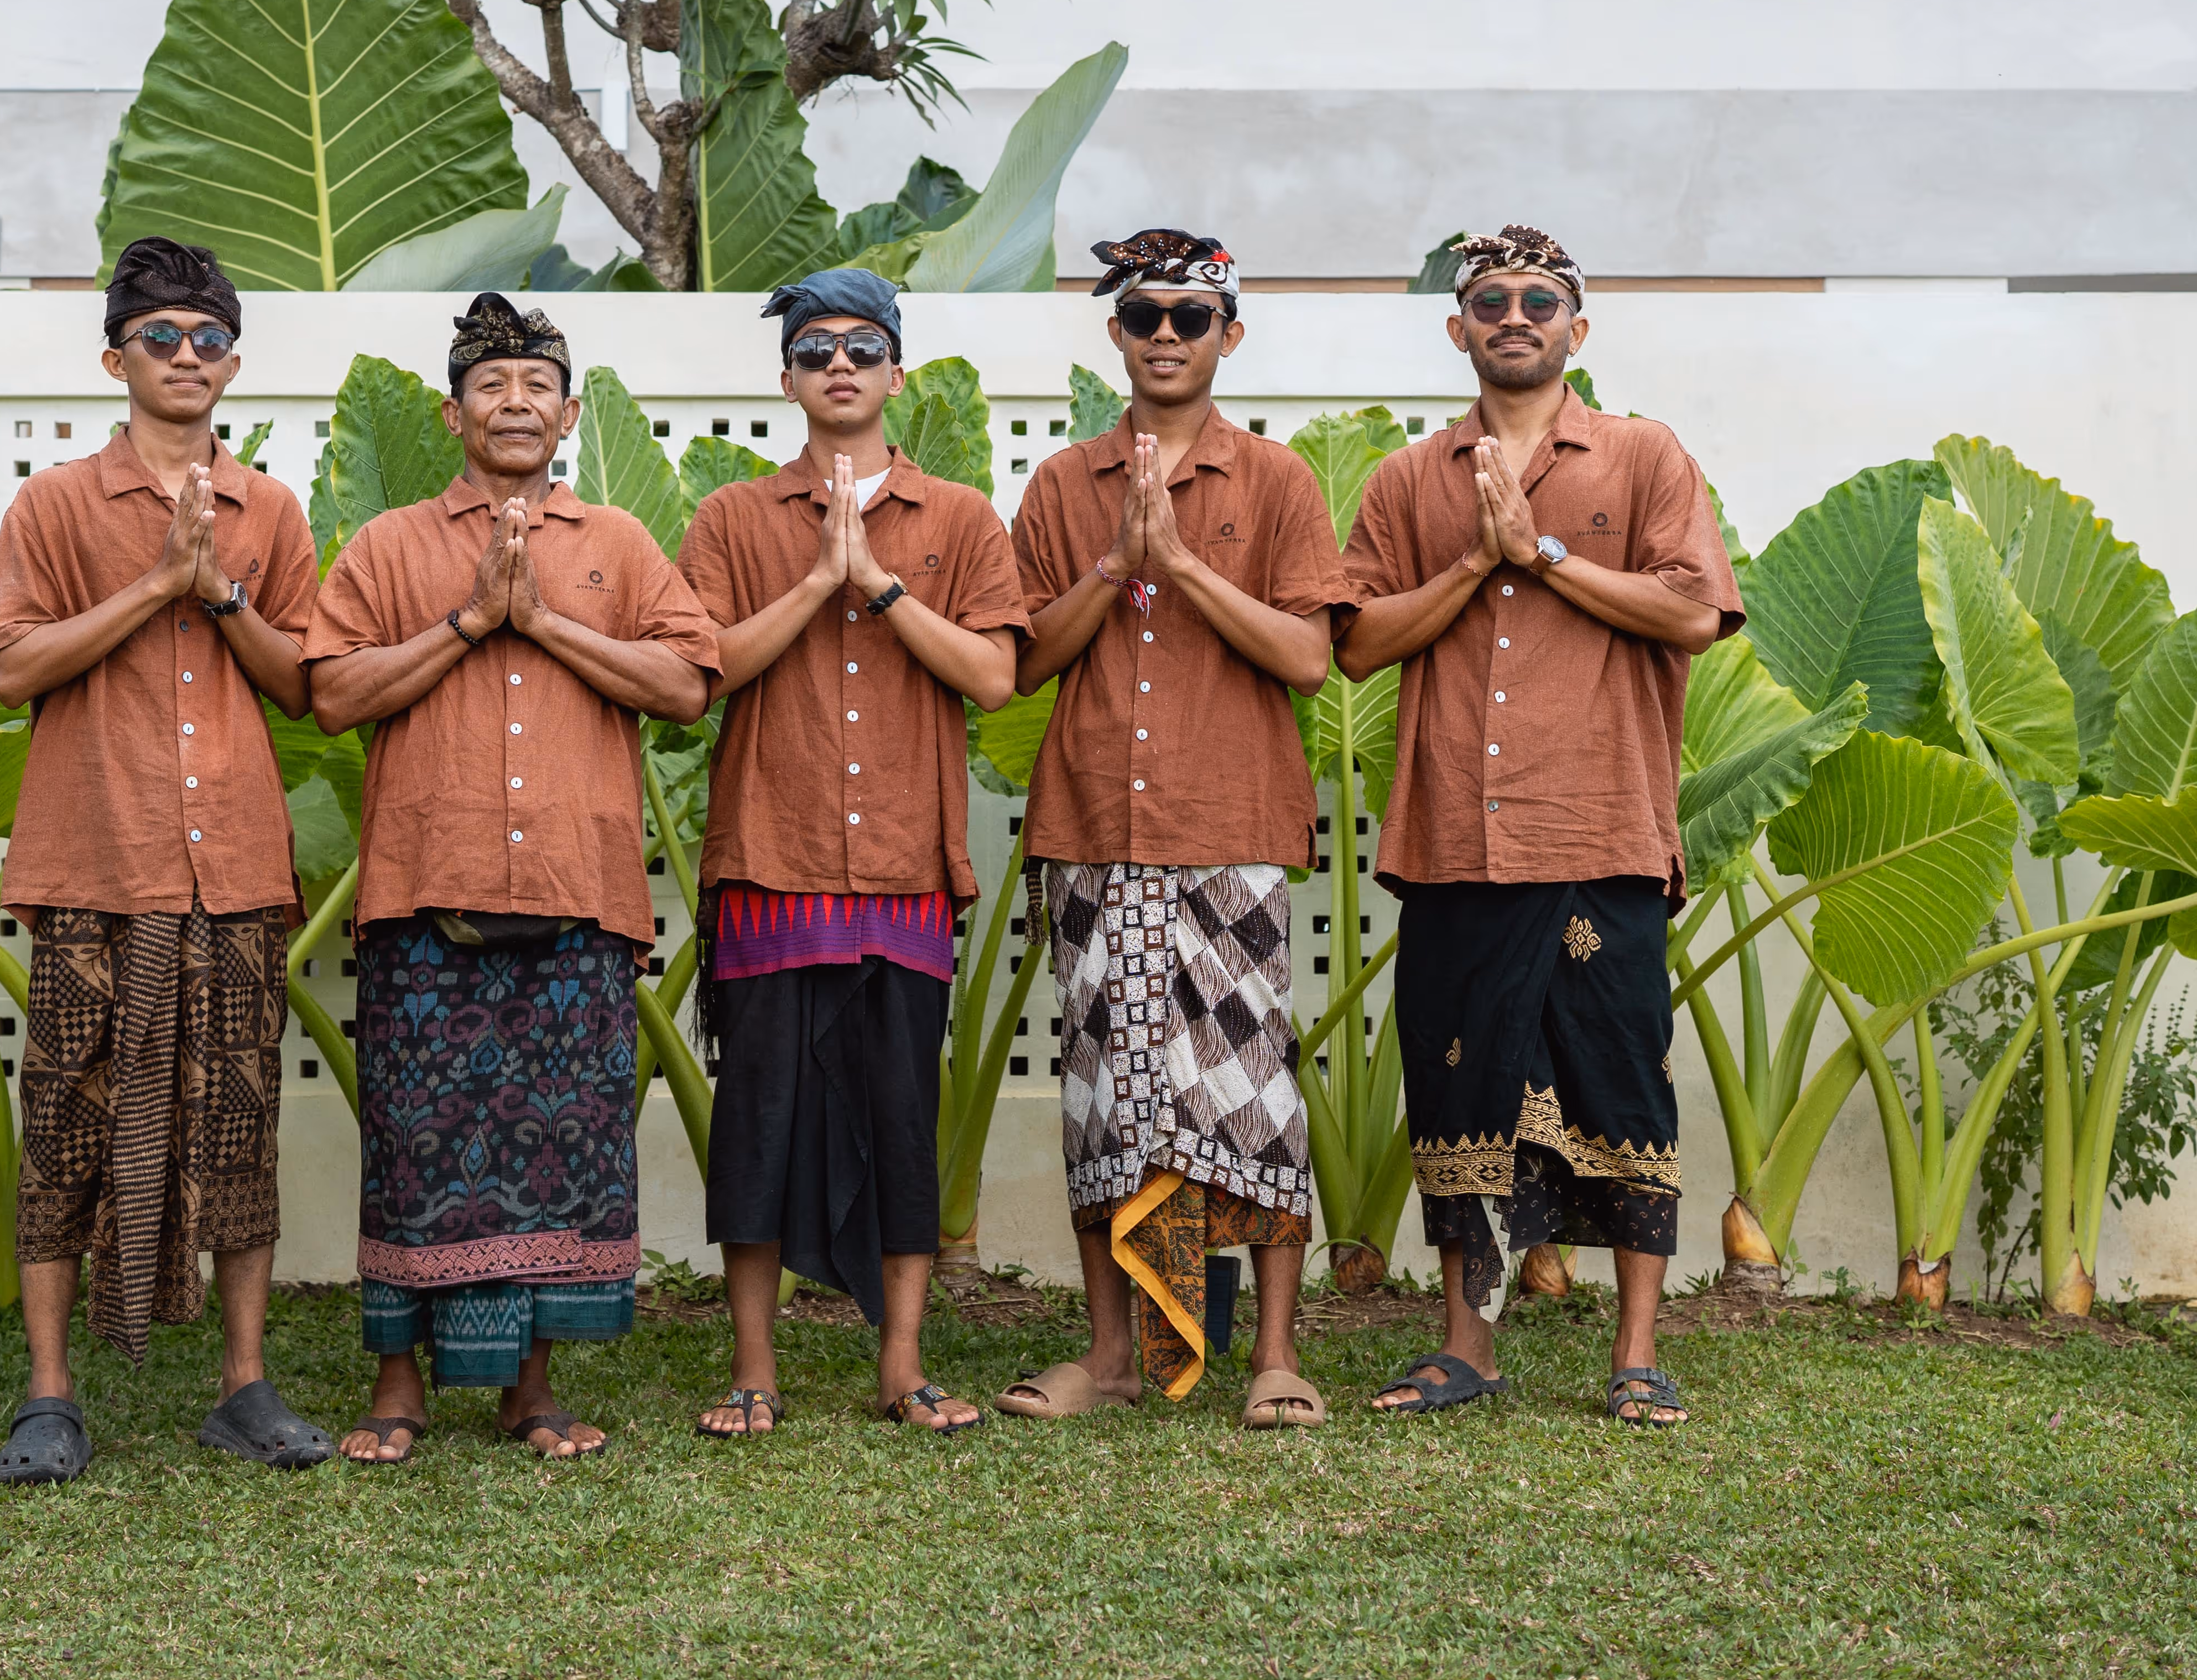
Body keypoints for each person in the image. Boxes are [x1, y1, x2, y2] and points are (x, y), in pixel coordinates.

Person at [1337, 225, 1741, 1429]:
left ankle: (1637, 1351)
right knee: (1457, 1086)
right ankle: (1467, 1347)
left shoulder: (1642, 457)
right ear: (1459, 329)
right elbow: (1357, 640)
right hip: (1459, 834)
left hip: (1601, 826)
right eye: (1491, 301)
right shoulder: (1410, 479)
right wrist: (1478, 561)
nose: (1515, 315)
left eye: (1540, 298)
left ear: (1577, 325)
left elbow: (1692, 609)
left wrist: (1547, 553)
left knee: (1623, 1084)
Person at [306, 292, 720, 1463]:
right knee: (417, 1143)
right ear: (452, 412)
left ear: (571, 410)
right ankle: (398, 1389)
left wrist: (541, 624)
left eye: (538, 386)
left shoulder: (620, 547)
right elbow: (334, 693)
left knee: (556, 1148)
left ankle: (529, 1392)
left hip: (578, 897)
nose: (516, 403)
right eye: (492, 386)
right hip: (425, 896)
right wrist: (468, 622)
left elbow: (689, 682)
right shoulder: (390, 546)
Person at [0, 236, 329, 1485]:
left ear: (236, 363)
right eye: (163, 337)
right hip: (93, 858)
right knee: (63, 1119)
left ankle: (242, 1384)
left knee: (241, 1121)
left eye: (210, 338)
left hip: (230, 864)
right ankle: (51, 1395)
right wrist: (153, 586)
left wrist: (219, 591)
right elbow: (12, 667)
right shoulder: (56, 505)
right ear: (115, 356)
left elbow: (307, 691)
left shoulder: (272, 512)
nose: (188, 357)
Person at [992, 230, 1349, 1431]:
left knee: (1253, 1095)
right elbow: (1026, 660)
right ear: (1116, 334)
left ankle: (1276, 1356)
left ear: (1228, 337)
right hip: (1095, 822)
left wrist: (1184, 566)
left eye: (1189, 318)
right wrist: (1114, 563)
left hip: (1233, 824)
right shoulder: (1061, 486)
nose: (1163, 335)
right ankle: (1112, 1354)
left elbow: (1309, 656)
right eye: (1142, 315)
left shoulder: (1279, 483)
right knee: (1106, 1091)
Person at [678, 269, 1027, 1439]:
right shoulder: (734, 519)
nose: (840, 363)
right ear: (786, 376)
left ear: (895, 372)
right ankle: (754, 1366)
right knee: (760, 1119)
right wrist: (818, 576)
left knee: (899, 1119)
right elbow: (703, 670)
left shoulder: (961, 519)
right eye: (816, 346)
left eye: (862, 345)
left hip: (905, 874)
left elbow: (991, 673)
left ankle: (903, 1361)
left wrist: (874, 584)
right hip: (771, 864)